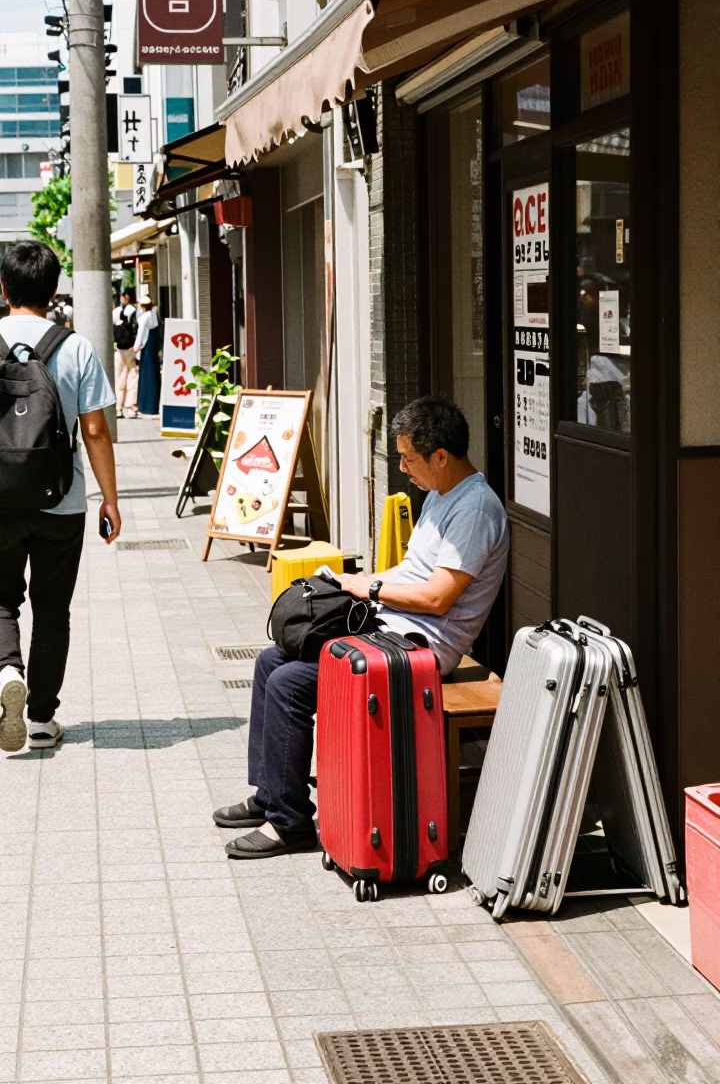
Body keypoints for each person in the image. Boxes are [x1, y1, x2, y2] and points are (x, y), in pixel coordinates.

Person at [213, 394, 509, 860]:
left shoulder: (473, 510)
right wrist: (357, 581)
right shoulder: (440, 493)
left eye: (410, 460)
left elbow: (436, 597)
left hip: (422, 648)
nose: (405, 469)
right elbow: (411, 572)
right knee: (273, 659)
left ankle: (289, 824)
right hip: (392, 630)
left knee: (290, 683)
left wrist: (369, 592)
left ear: (440, 456)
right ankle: (273, 796)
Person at [0, 243, 120, 752]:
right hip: (61, 501)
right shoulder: (76, 348)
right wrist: (110, 500)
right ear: (54, 293)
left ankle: (7, 670)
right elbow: (94, 430)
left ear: (3, 290)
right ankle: (43, 719)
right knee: (53, 610)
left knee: (2, 600)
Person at [113, 289, 139, 419]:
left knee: (119, 379)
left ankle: (118, 409)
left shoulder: (116, 312)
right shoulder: (135, 311)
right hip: (131, 350)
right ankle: (131, 408)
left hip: (118, 351)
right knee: (132, 378)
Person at [134, 291, 160, 416]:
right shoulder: (153, 314)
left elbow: (141, 333)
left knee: (146, 375)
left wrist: (136, 347)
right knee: (153, 374)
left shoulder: (145, 317)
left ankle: (146, 405)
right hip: (152, 347)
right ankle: (152, 405)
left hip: (147, 348)